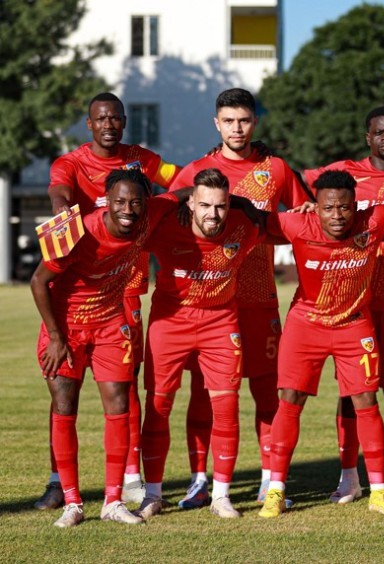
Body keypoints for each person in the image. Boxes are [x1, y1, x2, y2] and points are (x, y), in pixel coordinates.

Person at [37, 92, 181, 510]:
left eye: (115, 119)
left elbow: (180, 178)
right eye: (101, 119)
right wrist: (63, 217)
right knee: (64, 390)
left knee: (124, 382)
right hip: (78, 279)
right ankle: (58, 482)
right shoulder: (71, 162)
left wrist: (220, 164)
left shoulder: (142, 159)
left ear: (124, 122)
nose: (109, 126)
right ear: (90, 124)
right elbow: (60, 192)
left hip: (125, 284)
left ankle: (130, 477)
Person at [168, 88, 310, 509]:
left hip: (259, 299)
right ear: (217, 123)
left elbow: (302, 219)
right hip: (208, 306)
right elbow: (166, 216)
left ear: (255, 122)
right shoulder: (197, 171)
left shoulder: (276, 168)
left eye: (244, 120)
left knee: (267, 393)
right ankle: (199, 481)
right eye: (229, 121)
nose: (237, 128)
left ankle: (269, 482)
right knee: (203, 395)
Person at [259, 170, 384, 519]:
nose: (337, 216)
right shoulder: (296, 224)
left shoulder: (374, 219)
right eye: (328, 208)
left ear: (356, 205)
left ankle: (378, 491)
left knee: (366, 400)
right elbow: (255, 219)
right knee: (290, 399)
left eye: (345, 208)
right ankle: (275, 490)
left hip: (354, 325)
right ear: (315, 207)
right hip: (306, 325)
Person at [303, 107, 384, 505]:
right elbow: (298, 182)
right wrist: (305, 204)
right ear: (367, 137)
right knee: (351, 393)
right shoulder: (344, 171)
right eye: (379, 132)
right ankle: (349, 477)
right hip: (353, 305)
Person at [136, 168, 264, 520]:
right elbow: (141, 213)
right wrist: (175, 196)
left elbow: (290, 227)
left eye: (221, 206)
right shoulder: (165, 226)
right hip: (170, 322)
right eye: (205, 205)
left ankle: (220, 496)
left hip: (221, 323)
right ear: (191, 203)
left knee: (226, 408)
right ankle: (153, 495)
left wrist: (247, 204)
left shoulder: (245, 225)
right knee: (158, 408)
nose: (213, 214)